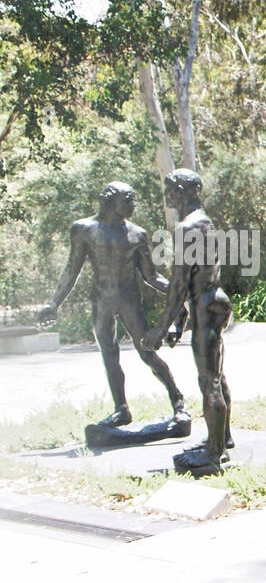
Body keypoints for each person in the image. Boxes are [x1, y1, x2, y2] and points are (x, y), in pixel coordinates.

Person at [38, 182, 187, 427]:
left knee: (148, 353)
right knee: (109, 355)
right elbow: (71, 269)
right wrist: (54, 303)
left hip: (129, 301)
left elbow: (151, 276)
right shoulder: (84, 229)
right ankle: (121, 409)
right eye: (128, 199)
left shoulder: (137, 234)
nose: (133, 204)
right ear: (110, 200)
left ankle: (178, 401)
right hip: (101, 302)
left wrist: (178, 294)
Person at [142, 169, 232, 476]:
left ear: (181, 191)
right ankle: (222, 438)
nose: (166, 195)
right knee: (217, 374)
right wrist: (180, 323)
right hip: (214, 301)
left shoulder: (185, 227)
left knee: (210, 381)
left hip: (204, 304)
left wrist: (159, 328)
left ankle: (214, 455)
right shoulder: (205, 221)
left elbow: (179, 285)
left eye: (169, 189)